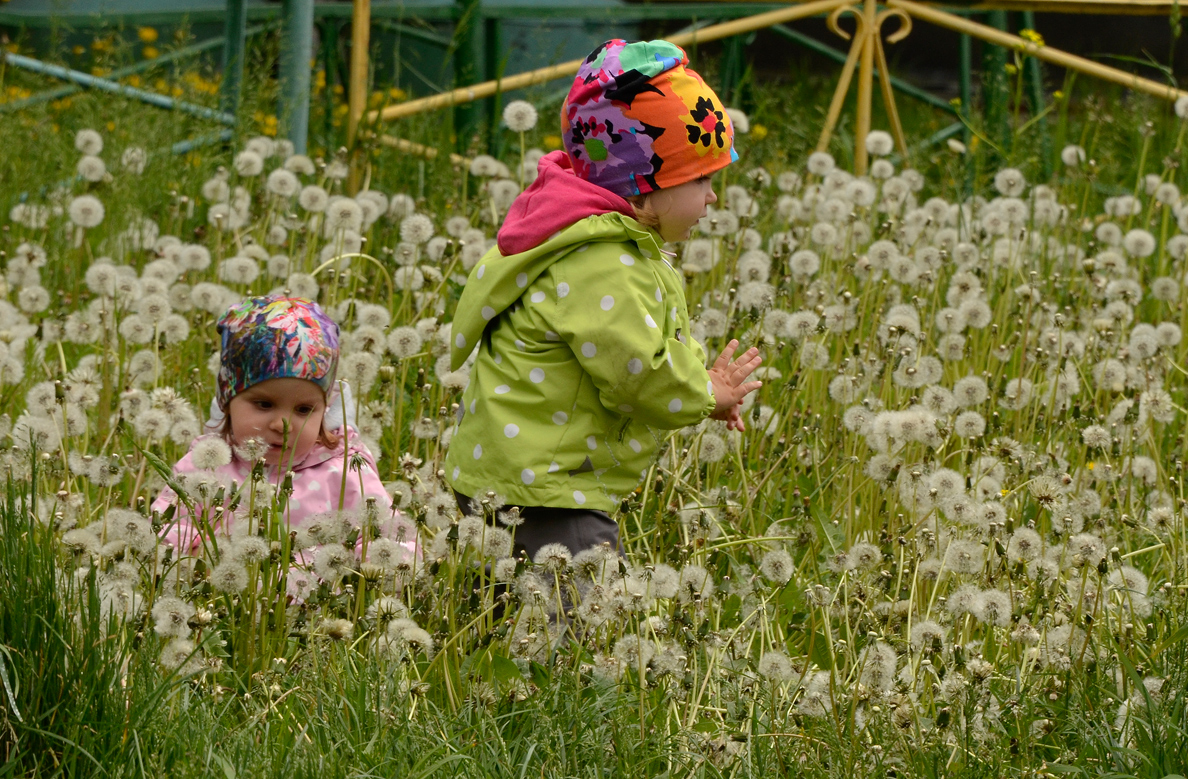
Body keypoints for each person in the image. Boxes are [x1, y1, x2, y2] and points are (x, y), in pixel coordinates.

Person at [443, 39, 762, 564]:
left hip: (509, 472)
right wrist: (707, 393)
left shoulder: (571, 234)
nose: (712, 197)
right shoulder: (602, 263)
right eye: (701, 178)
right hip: (548, 490)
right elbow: (638, 374)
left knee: (505, 617)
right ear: (643, 187)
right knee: (578, 634)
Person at [152, 295, 417, 565]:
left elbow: (396, 540)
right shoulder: (204, 467)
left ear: (326, 409)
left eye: (303, 410)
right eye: (264, 404)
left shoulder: (344, 473)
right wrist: (193, 557)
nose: (283, 425)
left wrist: (360, 565)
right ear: (227, 401)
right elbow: (163, 530)